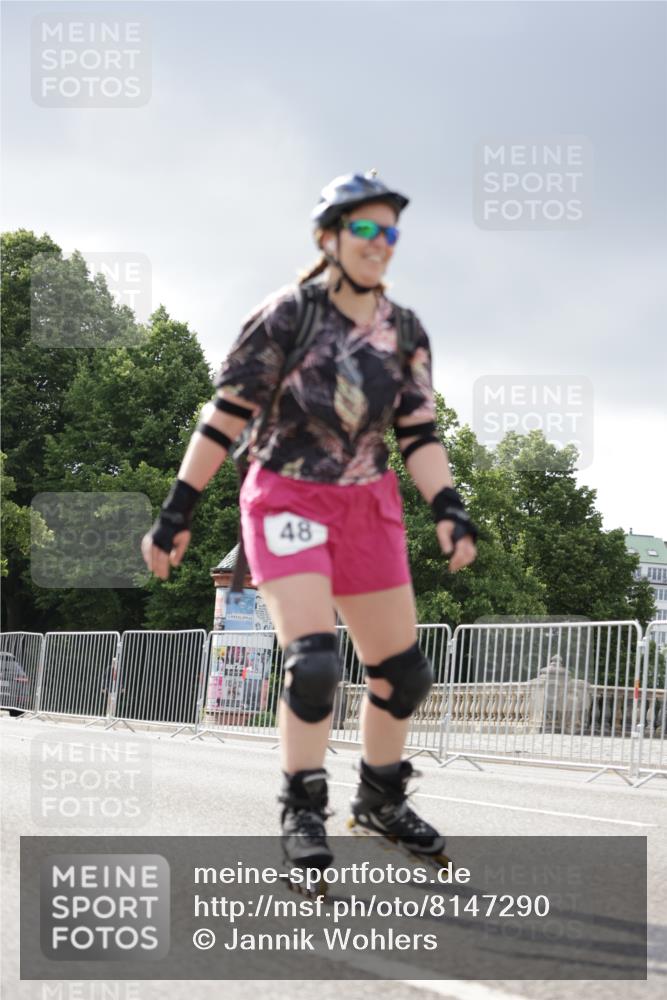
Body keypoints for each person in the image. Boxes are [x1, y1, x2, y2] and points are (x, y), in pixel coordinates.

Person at [141, 170, 477, 869]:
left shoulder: (404, 331)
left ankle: (380, 798)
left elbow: (418, 432)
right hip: (287, 497)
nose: (379, 243)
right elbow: (226, 415)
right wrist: (177, 510)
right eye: (365, 229)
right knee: (316, 663)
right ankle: (301, 808)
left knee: (404, 673)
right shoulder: (286, 316)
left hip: (368, 504)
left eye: (389, 232)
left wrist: (448, 507)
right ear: (328, 236)